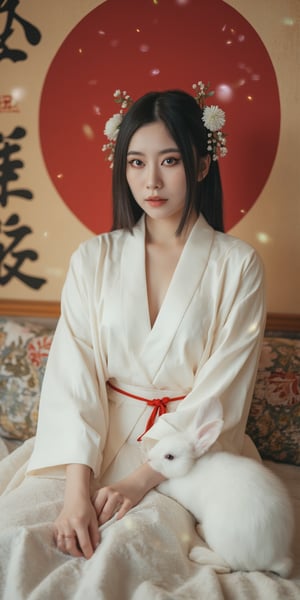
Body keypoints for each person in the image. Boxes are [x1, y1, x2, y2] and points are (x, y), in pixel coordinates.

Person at [0, 83, 265, 598]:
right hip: (89, 445)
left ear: (202, 165)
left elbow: (222, 390)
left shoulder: (239, 265)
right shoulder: (93, 259)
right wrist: (79, 491)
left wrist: (138, 480)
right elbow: (72, 380)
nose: (152, 181)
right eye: (136, 163)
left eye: (169, 160)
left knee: (124, 562)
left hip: (186, 462)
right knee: (16, 539)